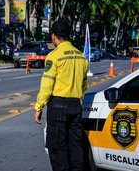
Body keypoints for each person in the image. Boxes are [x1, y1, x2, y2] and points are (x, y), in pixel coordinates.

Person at [34, 20, 88, 171]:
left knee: (58, 149)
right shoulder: (81, 56)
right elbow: (84, 84)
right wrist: (78, 100)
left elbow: (47, 85)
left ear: (54, 36)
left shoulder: (54, 56)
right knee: (76, 147)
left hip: (58, 106)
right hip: (75, 105)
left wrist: (39, 107)